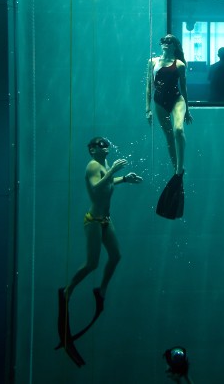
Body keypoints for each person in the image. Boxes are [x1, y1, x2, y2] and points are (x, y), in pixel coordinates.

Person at [58, 137, 142, 365]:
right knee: (92, 263)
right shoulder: (93, 166)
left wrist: (124, 178)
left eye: (106, 144)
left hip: (105, 219)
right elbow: (96, 188)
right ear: (91, 149)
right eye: (100, 144)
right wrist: (114, 169)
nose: (105, 147)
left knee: (116, 256)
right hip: (93, 221)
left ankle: (101, 289)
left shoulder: (103, 166)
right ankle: (67, 289)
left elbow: (108, 182)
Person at [145, 34, 193, 176]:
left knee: (178, 130)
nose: (166, 43)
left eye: (169, 41)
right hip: (159, 101)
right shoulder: (152, 62)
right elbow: (149, 86)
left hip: (177, 100)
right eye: (164, 40)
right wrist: (147, 109)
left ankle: (180, 166)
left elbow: (184, 88)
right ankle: (176, 169)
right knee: (169, 136)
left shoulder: (179, 65)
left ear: (175, 45)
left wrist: (187, 111)